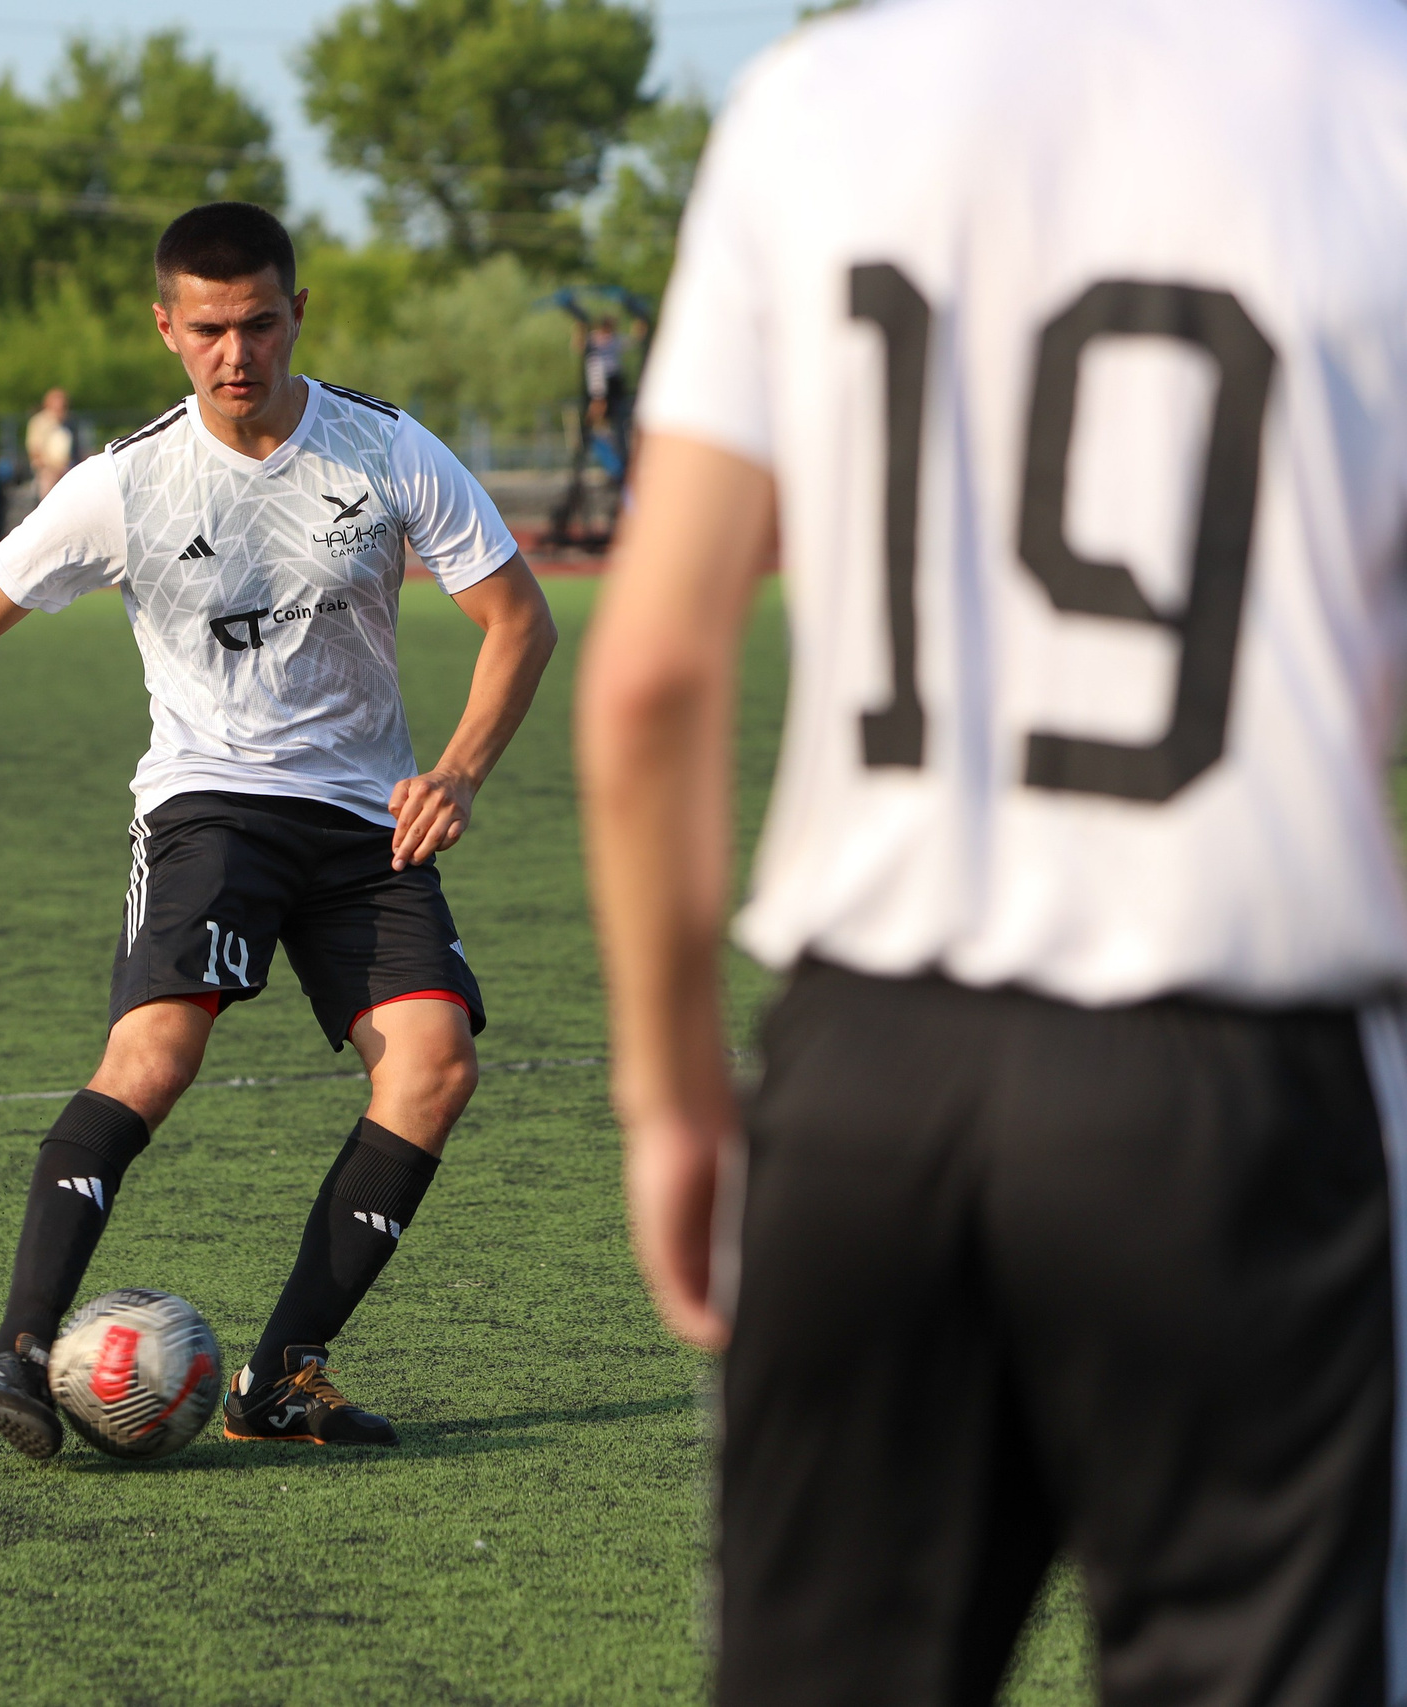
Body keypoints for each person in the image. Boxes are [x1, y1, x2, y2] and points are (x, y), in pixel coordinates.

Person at [576, 0, 1407, 1701]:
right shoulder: (1377, 105)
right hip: (1234, 1072)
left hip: (864, 1073)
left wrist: (672, 1094)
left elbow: (653, 672)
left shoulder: (816, 102)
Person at [0, 200, 558, 1458]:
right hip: (211, 803)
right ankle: (16, 1352)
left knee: (435, 1066)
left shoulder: (389, 452)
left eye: (259, 324)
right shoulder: (123, 482)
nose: (236, 354)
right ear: (165, 328)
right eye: (208, 330)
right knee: (156, 1057)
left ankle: (283, 1377)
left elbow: (518, 620)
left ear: (300, 313)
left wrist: (457, 768)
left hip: (360, 817)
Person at [24, 387, 76, 499]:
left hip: (68, 468)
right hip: (47, 470)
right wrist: (51, 468)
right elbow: (34, 450)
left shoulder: (71, 423)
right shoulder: (39, 422)